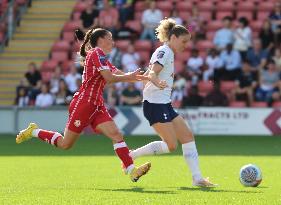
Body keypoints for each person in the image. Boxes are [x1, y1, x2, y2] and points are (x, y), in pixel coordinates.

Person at [16, 28, 151, 182]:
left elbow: (118, 73)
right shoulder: (96, 53)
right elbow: (110, 78)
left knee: (116, 134)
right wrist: (131, 77)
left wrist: (145, 78)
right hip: (84, 104)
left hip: (96, 104)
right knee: (65, 144)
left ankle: (131, 170)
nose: (113, 42)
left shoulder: (102, 58)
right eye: (110, 38)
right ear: (101, 40)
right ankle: (34, 131)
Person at [129, 18, 216, 187]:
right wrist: (155, 81)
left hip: (164, 104)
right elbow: (153, 73)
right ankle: (131, 155)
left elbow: (149, 74)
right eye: (183, 41)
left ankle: (197, 178)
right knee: (171, 145)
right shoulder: (165, 51)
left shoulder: (167, 52)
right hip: (155, 105)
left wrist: (149, 80)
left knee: (187, 137)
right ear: (174, 37)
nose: (185, 46)